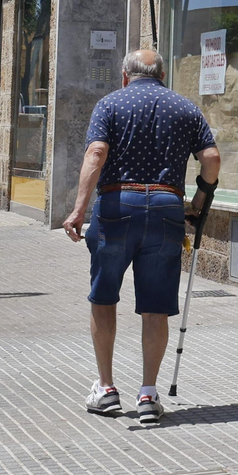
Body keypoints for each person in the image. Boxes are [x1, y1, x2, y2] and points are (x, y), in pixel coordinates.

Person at [63, 49, 219, 425]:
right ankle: (149, 394)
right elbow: (211, 158)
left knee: (104, 297)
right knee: (156, 305)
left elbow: (96, 152)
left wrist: (79, 209)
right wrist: (200, 199)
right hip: (166, 209)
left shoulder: (110, 105)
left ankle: (106, 388)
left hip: (117, 205)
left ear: (124, 76)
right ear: (163, 75)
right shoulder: (185, 107)